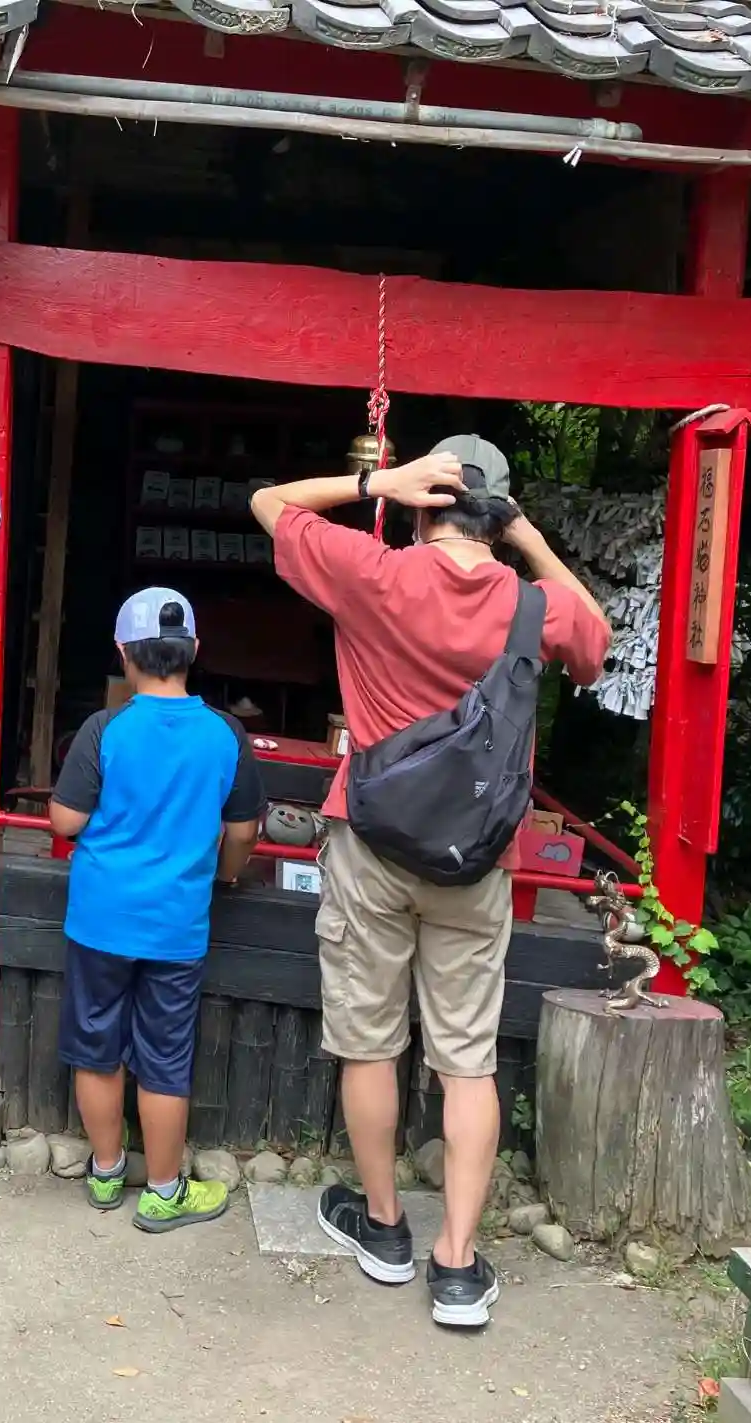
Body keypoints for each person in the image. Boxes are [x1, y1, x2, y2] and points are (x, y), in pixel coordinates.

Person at [251, 437, 610, 1328]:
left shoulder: (372, 573)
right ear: (498, 513)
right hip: (479, 854)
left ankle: (382, 1227)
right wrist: (529, 540)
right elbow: (596, 642)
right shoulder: (531, 606)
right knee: (467, 1057)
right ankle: (455, 1264)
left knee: (369, 1041)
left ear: (423, 505)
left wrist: (375, 480)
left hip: (371, 838)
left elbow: (268, 502)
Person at [49, 587, 265, 1232]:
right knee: (165, 1058)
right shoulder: (226, 734)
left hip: (100, 920)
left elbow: (65, 821)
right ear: (193, 650)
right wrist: (225, 873)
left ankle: (106, 1172)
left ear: (124, 653)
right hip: (177, 926)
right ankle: (165, 1192)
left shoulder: (105, 728)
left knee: (96, 1049)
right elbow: (244, 831)